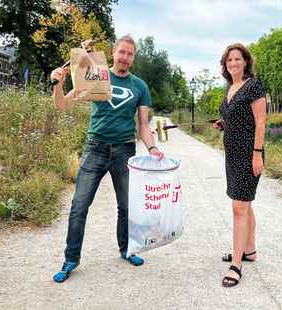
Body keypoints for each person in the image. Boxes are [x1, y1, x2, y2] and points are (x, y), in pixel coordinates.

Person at [50, 35, 164, 283]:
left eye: (130, 54)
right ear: (114, 52)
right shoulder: (96, 75)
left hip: (124, 151)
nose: (125, 57)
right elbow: (62, 105)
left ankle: (126, 249)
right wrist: (58, 84)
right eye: (121, 52)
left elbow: (143, 125)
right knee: (79, 206)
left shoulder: (139, 86)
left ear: (133, 57)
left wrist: (152, 148)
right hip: (95, 149)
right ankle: (71, 259)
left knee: (126, 206)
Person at [212, 43, 267, 288]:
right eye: (229, 60)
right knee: (245, 203)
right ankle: (250, 251)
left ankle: (236, 265)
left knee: (239, 207)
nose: (233, 63)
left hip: (248, 153)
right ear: (225, 65)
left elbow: (261, 123)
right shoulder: (230, 88)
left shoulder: (253, 86)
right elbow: (237, 117)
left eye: (237, 59)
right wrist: (223, 124)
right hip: (232, 154)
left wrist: (257, 154)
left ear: (245, 62)